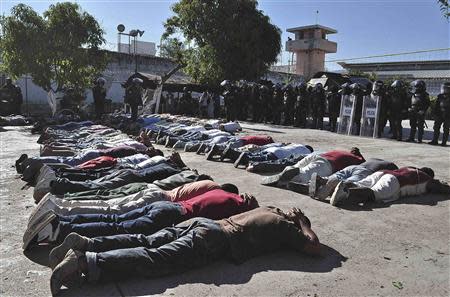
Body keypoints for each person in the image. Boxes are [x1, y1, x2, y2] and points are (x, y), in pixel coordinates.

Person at [49, 206, 320, 295]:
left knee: (145, 240)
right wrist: (303, 223)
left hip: (203, 224)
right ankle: (84, 262)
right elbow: (313, 246)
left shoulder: (268, 209)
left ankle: (88, 243)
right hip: (215, 238)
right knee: (155, 258)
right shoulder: (285, 225)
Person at [23, 188, 259, 250]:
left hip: (164, 206)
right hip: (171, 215)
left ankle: (62, 222)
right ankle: (58, 229)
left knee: (115, 219)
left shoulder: (224, 193)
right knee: (117, 227)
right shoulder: (233, 206)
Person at [329, 167, 450, 207]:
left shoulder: (410, 169)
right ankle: (345, 193)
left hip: (383, 173)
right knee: (374, 193)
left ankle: (330, 187)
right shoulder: (426, 178)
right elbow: (442, 188)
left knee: (359, 184)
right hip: (395, 181)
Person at [262, 147, 365, 191]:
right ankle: (288, 179)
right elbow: (364, 165)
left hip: (319, 156)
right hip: (328, 163)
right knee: (304, 175)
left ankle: (284, 173)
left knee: (296, 167)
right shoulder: (358, 159)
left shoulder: (341, 151)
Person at [308, 158, 398, 200]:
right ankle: (333, 188)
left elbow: (361, 159)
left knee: (336, 176)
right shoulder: (391, 165)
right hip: (366, 171)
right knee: (346, 184)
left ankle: (323, 180)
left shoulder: (373, 159)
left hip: (353, 167)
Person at [234, 143, 314, 168]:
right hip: (279, 154)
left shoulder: (297, 145)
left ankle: (242, 155)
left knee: (259, 154)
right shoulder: (307, 152)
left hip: (273, 148)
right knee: (261, 158)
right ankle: (246, 158)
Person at [429, 82, 450, 146]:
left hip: (448, 115)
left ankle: (444, 142)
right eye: (444, 88)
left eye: (446, 88)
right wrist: (434, 114)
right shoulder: (440, 96)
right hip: (439, 114)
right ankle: (435, 140)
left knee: (446, 129)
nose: (444, 90)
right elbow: (436, 106)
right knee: (436, 127)